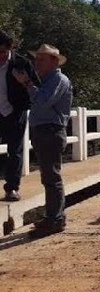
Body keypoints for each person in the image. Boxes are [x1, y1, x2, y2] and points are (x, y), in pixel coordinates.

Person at [12, 44, 73, 238]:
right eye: (36, 58)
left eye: (42, 59)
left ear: (54, 62)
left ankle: (54, 219)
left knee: (51, 178)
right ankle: (54, 217)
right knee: (49, 177)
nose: (37, 62)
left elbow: (43, 101)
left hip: (51, 131)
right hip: (45, 132)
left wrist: (28, 83)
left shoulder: (58, 79)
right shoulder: (48, 80)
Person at [0, 30, 40, 202]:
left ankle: (12, 189)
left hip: (15, 111)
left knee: (15, 151)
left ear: (9, 48)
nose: (0, 56)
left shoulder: (21, 63)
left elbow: (37, 88)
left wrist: (23, 82)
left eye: (2, 52)